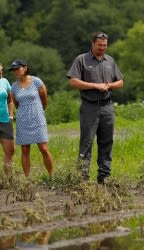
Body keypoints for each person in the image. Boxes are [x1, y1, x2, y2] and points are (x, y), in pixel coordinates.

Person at [67, 32, 124, 184]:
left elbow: (120, 82)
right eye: (99, 45)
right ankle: (82, 177)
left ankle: (104, 176)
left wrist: (109, 85)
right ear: (92, 44)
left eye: (104, 45)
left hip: (107, 106)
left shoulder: (110, 60)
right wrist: (94, 85)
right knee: (87, 142)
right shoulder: (81, 59)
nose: (102, 48)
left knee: (107, 141)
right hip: (89, 107)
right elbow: (73, 82)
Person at [9, 59, 54, 178]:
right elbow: (16, 103)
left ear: (25, 68)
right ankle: (27, 178)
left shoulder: (36, 81)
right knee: (24, 149)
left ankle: (52, 176)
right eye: (14, 70)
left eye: (17, 69)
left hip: (38, 118)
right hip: (22, 120)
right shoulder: (14, 86)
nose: (15, 72)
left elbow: (44, 100)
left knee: (43, 148)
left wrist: (39, 111)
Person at [0, 64, 15, 175]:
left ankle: (8, 179)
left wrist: (10, 116)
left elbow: (10, 100)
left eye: (1, 71)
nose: (0, 73)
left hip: (5, 121)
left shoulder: (5, 81)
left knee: (10, 151)